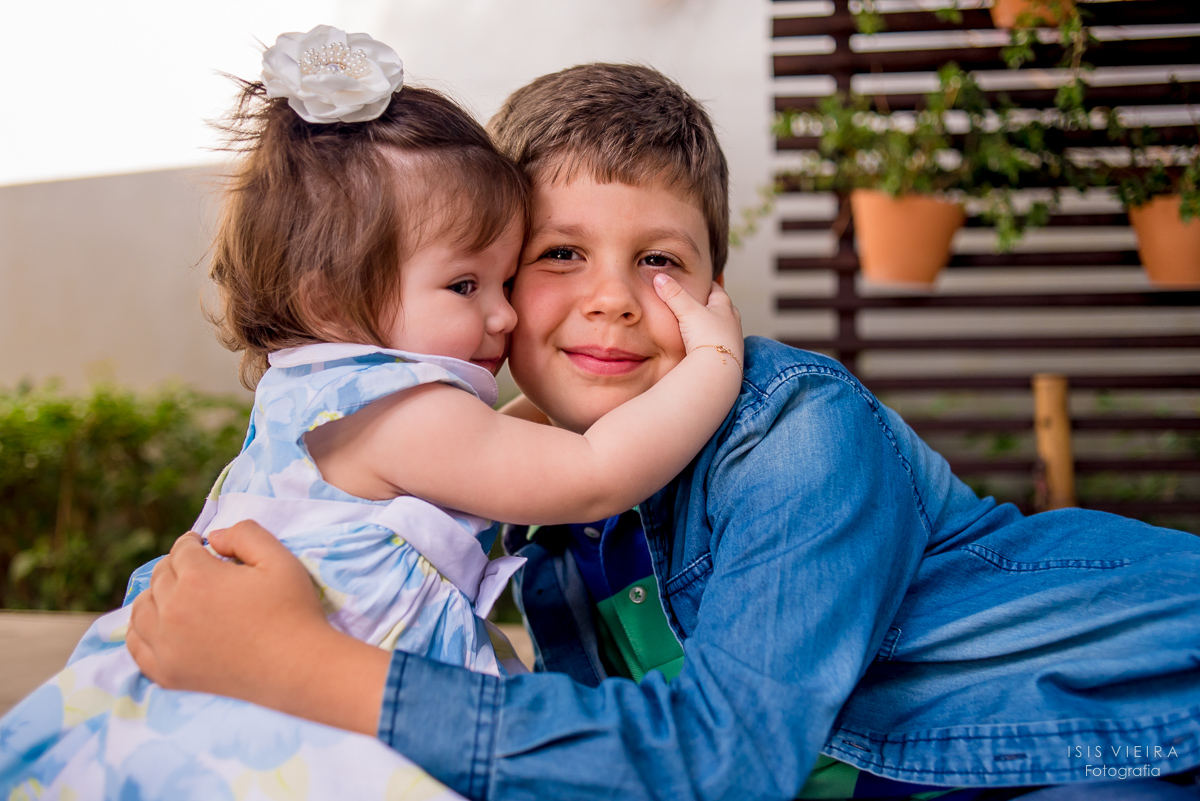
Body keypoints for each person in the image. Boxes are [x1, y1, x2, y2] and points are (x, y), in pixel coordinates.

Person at [127, 64, 1200, 801]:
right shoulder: (527, 487)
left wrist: (299, 665)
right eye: (556, 256)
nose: (612, 300)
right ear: (491, 286)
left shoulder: (795, 433)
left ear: (715, 294)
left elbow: (725, 760)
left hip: (1144, 717)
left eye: (660, 260)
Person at [0, 34, 745, 799]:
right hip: (304, 706)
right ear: (330, 297)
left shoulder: (327, 393)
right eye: (464, 285)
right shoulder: (405, 410)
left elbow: (504, 444)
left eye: (502, 279)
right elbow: (592, 475)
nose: (499, 315)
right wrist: (715, 367)